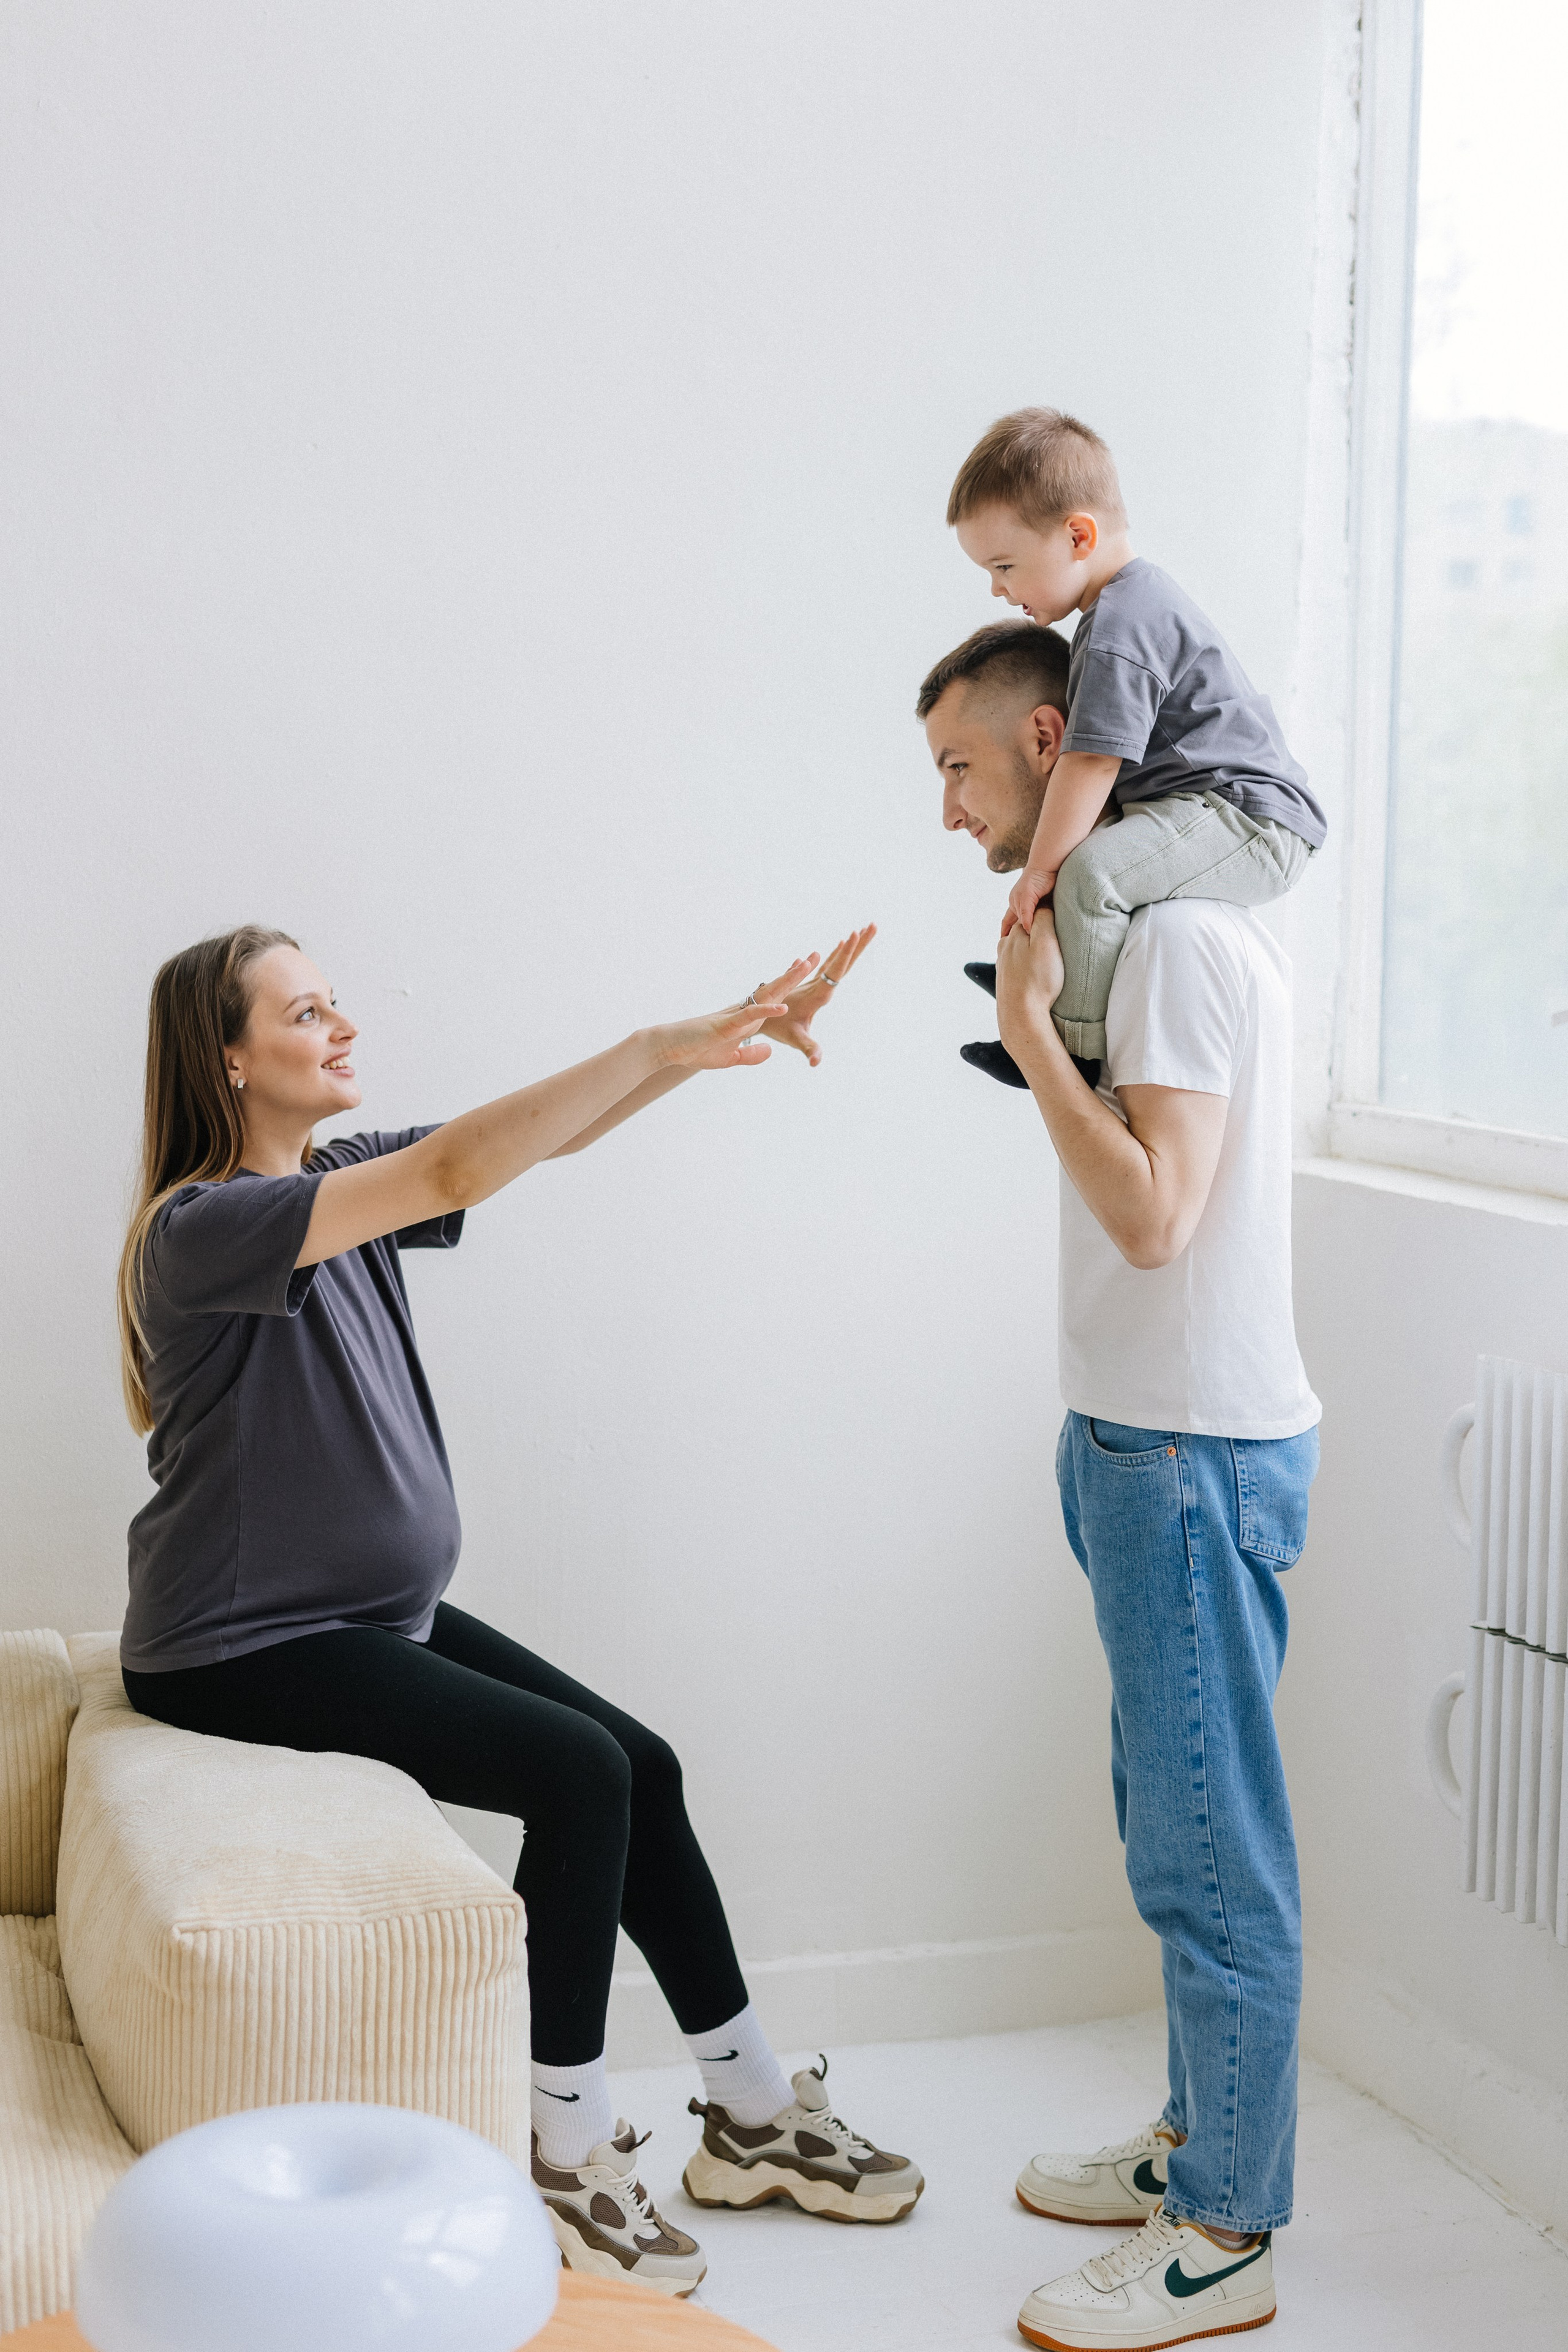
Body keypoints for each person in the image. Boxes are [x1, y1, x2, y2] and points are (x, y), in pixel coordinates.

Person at [115, 921, 922, 2301]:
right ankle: (565, 2145)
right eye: (307, 1012)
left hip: (368, 1617)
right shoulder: (204, 1228)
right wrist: (662, 1042)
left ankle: (746, 2110)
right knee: (576, 1772)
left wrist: (703, 1044)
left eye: (335, 1002)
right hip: (238, 1647)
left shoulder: (339, 1183)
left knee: (641, 1764)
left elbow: (539, 1141)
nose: (343, 1027)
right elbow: (461, 1161)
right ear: (230, 1059)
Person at [921, 635, 1321, 2349]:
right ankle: (1191, 2142)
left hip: (1184, 1451)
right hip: (1141, 1436)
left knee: (1211, 1855)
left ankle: (1226, 2231)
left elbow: (1159, 1215)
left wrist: (1028, 1038)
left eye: (957, 769)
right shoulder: (1139, 940)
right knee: (1173, 1827)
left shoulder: (1164, 944)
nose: (946, 810)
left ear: (1042, 738)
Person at [944, 407, 1326, 1087]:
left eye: (1004, 565)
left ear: (1078, 535)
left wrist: (1038, 872)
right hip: (1206, 807)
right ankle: (1050, 983)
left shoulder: (1124, 621)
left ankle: (1067, 1049)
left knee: (1087, 872)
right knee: (1083, 848)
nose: (998, 589)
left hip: (1251, 819)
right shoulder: (1117, 610)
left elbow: (1089, 762)